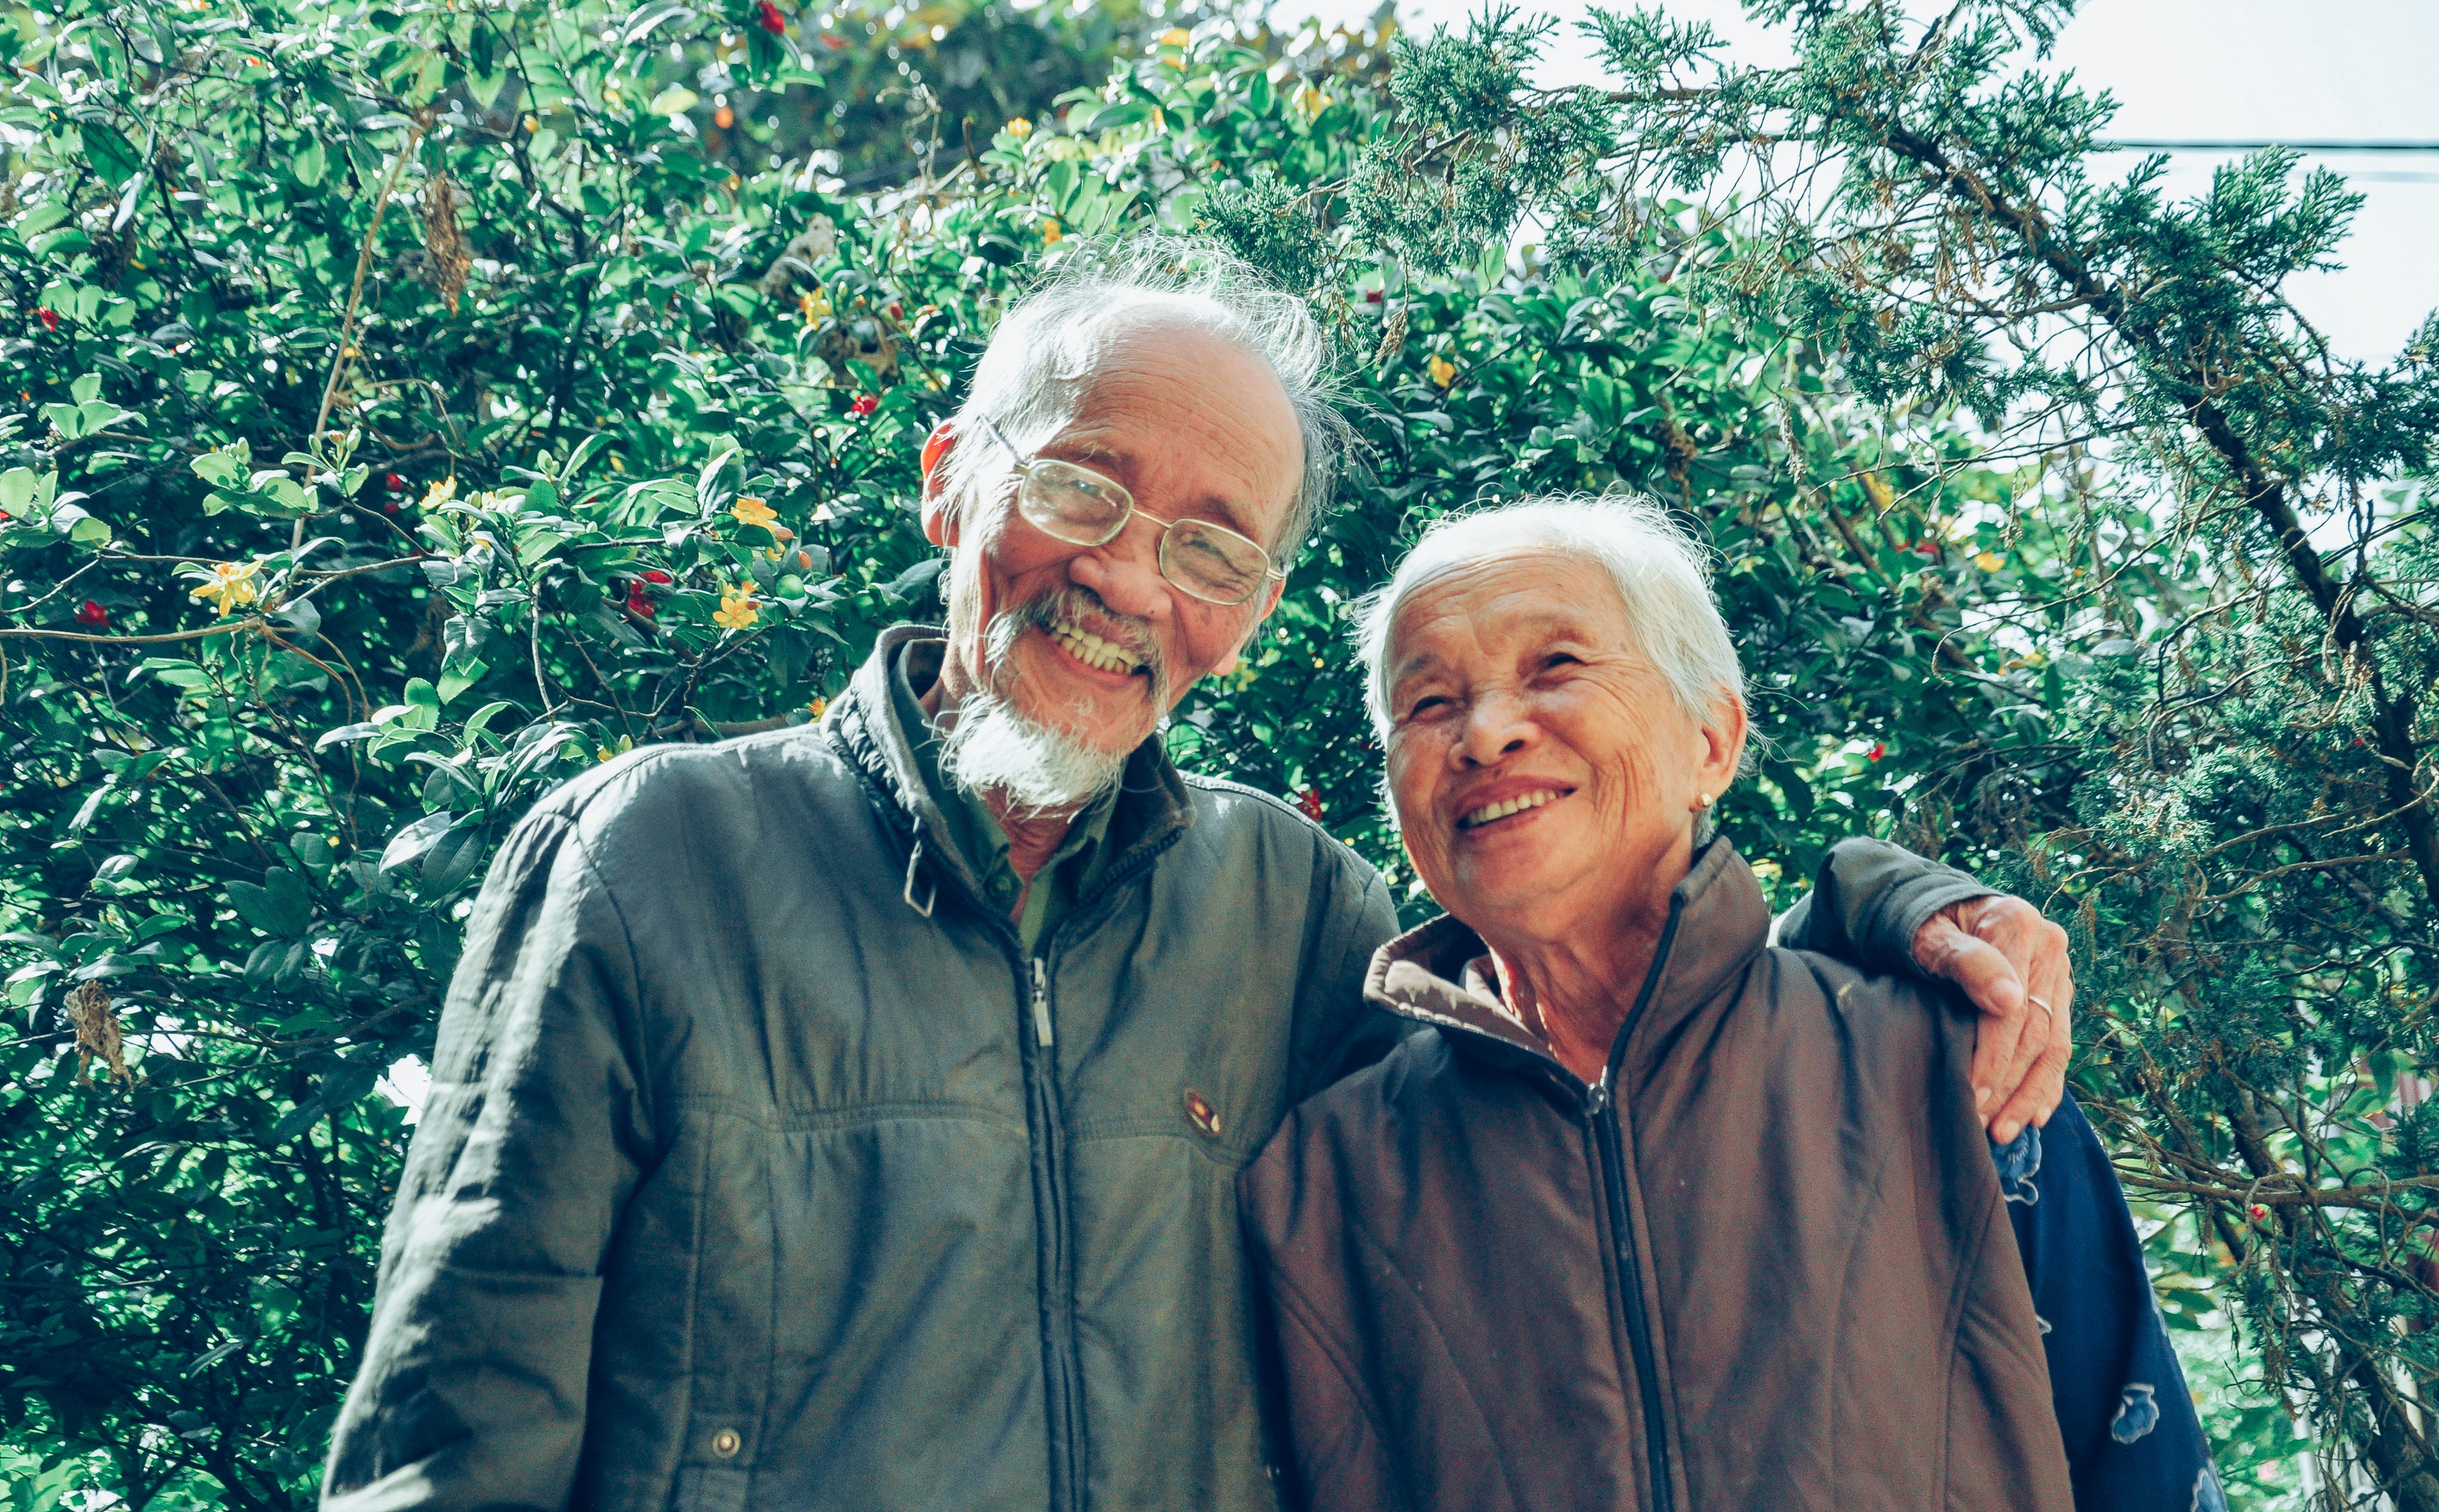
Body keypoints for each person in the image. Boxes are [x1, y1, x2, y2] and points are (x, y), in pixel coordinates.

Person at [321, 242, 2077, 1512]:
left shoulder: (1295, 909)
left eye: (1213, 544)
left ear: (1245, 613)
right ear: (953, 485)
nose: (1130, 580)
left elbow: (1597, 1035)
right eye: (1081, 487)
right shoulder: (655, 858)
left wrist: (1887, 911)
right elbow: (452, 1432)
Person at [1240, 495, 2219, 1512]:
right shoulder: (1322, 1180)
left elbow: (2139, 1461)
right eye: (1429, 704)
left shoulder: (1948, 1065)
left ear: (1710, 741)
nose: (1485, 734)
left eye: (1557, 667)